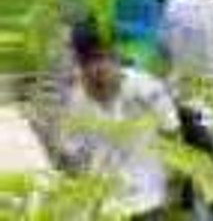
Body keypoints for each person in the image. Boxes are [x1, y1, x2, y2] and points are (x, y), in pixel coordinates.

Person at [62, 23, 180, 220]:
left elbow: (172, 133)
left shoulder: (146, 87)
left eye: (100, 58)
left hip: (149, 200)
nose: (95, 69)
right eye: (86, 63)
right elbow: (73, 156)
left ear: (114, 56)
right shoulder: (76, 102)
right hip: (107, 207)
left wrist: (173, 186)